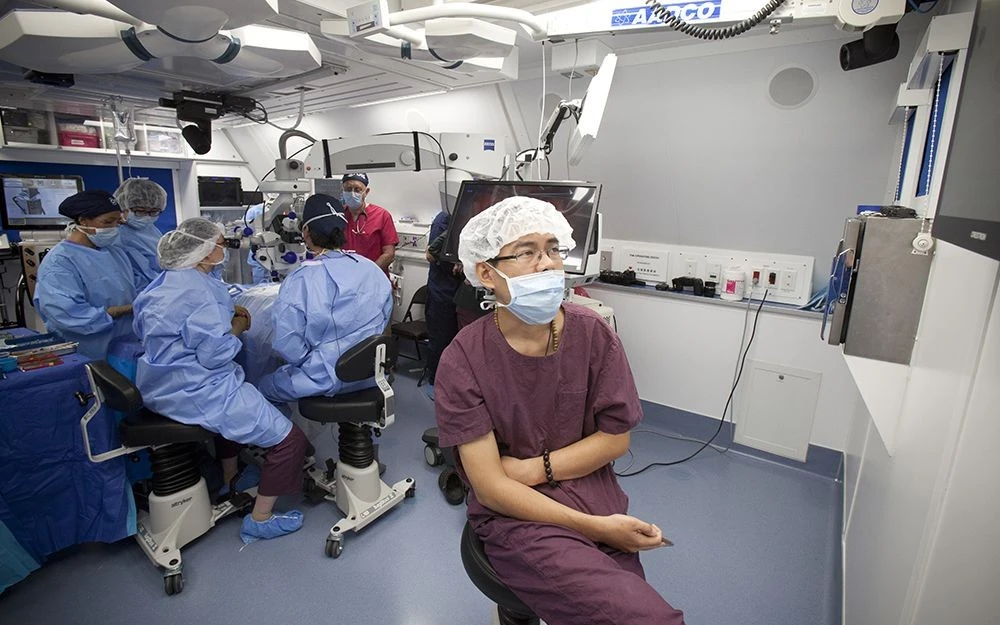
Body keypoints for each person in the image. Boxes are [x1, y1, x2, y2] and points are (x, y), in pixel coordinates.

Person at [434, 197, 685, 625]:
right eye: (526, 252)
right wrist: (597, 529)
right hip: (518, 516)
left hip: (595, 496)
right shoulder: (464, 359)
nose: (547, 264)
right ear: (485, 272)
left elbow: (616, 438)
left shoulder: (592, 335)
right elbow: (493, 488)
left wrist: (533, 469)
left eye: (553, 249)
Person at [132, 218, 308, 544]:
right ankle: (261, 518)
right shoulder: (198, 292)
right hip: (199, 390)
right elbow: (215, 354)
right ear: (200, 253)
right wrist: (238, 325)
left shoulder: (161, 285)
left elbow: (155, 331)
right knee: (290, 441)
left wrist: (226, 310)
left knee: (243, 402)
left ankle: (230, 478)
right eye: (217, 243)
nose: (223, 248)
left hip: (159, 386)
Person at [257, 194, 393, 403]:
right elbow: (384, 319)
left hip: (325, 377)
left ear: (306, 232)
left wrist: (311, 362)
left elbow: (287, 345)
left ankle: (291, 435)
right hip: (371, 373)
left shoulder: (300, 279)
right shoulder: (370, 268)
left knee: (261, 386)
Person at [34, 190, 139, 362]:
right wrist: (128, 309)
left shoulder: (114, 252)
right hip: (87, 351)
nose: (114, 227)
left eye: (117, 222)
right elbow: (69, 316)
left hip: (125, 347)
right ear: (83, 220)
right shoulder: (60, 263)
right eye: (107, 222)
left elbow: (132, 287)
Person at [422, 210, 463, 397]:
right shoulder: (444, 219)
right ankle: (435, 382)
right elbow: (433, 253)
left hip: (459, 292)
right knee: (440, 338)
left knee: (459, 341)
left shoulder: (467, 219)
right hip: (442, 290)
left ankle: (454, 384)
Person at [113, 177, 168, 290]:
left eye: (154, 212)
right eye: (140, 211)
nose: (147, 217)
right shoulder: (117, 236)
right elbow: (142, 278)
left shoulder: (151, 229)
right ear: (123, 206)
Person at [340, 173, 399, 275]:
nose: (352, 193)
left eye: (357, 190)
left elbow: (389, 254)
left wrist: (368, 273)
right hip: (345, 278)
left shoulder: (382, 216)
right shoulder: (338, 215)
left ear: (366, 192)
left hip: (373, 278)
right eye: (348, 189)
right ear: (343, 190)